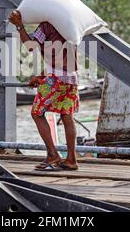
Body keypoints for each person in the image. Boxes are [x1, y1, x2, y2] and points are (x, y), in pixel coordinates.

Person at [9, 10, 79, 171]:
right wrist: (41, 75)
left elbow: (31, 46)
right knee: (67, 115)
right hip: (72, 79)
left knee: (37, 113)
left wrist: (20, 26)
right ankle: (71, 159)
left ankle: (52, 154)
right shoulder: (71, 26)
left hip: (56, 79)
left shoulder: (47, 25)